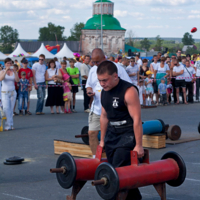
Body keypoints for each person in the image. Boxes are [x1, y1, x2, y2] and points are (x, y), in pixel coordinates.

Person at [98, 60, 143, 200]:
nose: (102, 84)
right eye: (99, 80)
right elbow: (104, 117)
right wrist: (101, 141)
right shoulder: (103, 92)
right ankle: (135, 198)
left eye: (105, 80)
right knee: (116, 170)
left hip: (127, 135)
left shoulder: (129, 91)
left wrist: (138, 145)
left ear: (115, 76)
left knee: (116, 173)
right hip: (112, 134)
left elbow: (137, 120)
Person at [86, 48, 131, 156]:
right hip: (97, 108)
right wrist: (89, 91)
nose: (96, 64)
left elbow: (129, 86)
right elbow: (89, 85)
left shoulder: (118, 68)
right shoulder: (93, 70)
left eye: (98, 61)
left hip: (114, 108)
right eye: (94, 62)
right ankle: (95, 158)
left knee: (113, 136)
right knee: (92, 133)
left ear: (104, 58)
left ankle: (114, 158)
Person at [0, 58, 19, 130]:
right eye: (8, 63)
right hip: (4, 92)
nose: (9, 65)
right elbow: (1, 79)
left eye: (10, 63)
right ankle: (7, 125)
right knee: (6, 108)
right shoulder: (2, 71)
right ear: (5, 64)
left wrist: (15, 72)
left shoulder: (13, 72)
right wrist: (5, 71)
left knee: (11, 109)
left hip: (13, 92)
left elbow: (17, 80)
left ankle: (10, 124)